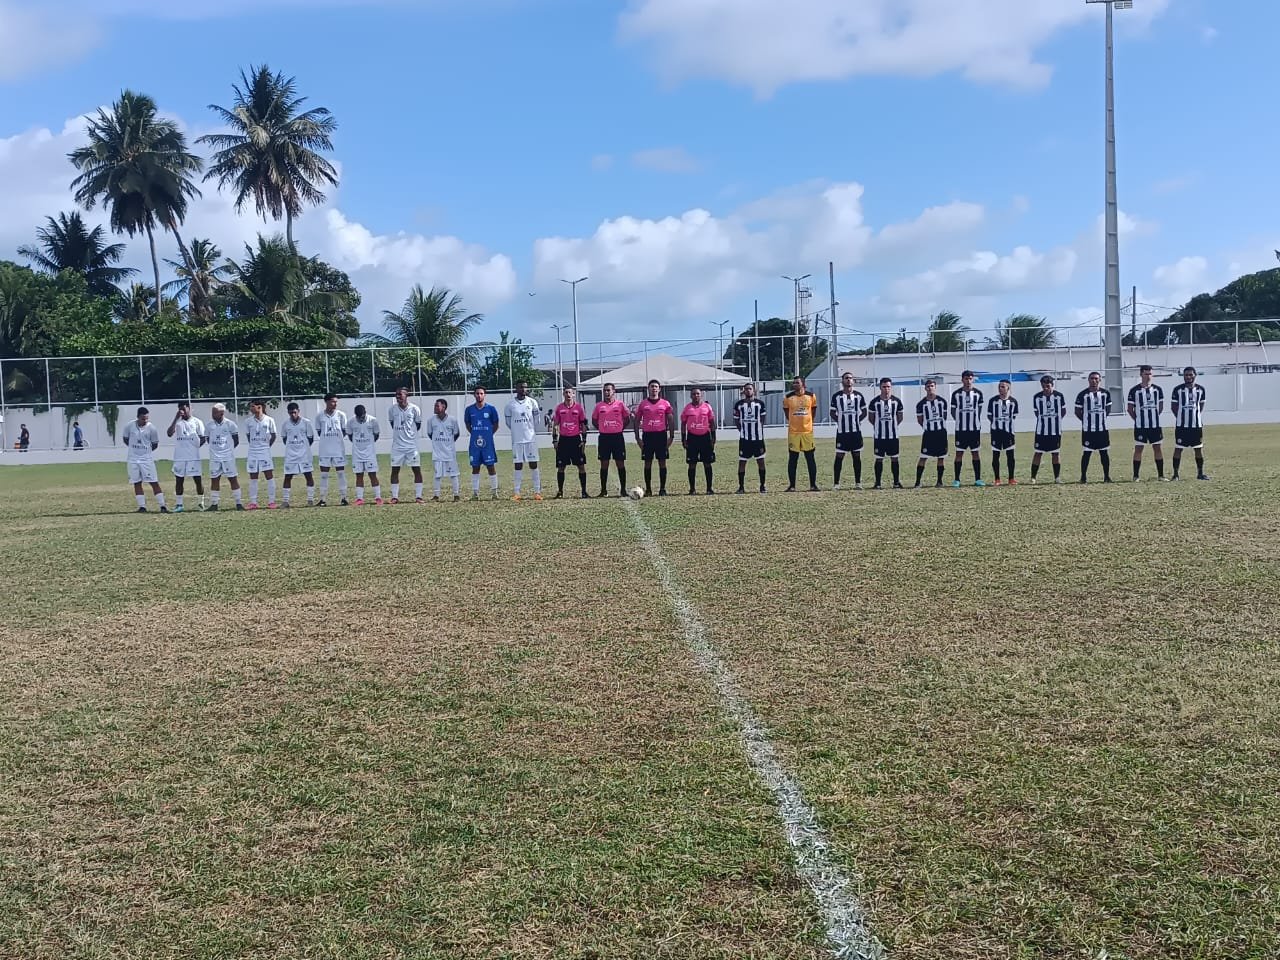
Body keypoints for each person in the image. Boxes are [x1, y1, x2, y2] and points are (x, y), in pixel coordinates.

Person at [634, 379, 675, 496]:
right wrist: (637, 437)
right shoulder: (643, 404)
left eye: (656, 386)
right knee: (647, 463)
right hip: (648, 436)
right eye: (652, 386)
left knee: (662, 462)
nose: (654, 388)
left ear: (659, 389)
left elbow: (671, 420)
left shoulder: (665, 404)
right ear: (648, 388)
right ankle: (648, 489)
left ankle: (662, 489)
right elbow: (637, 420)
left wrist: (671, 436)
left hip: (661, 435)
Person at [122, 406, 167, 512]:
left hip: (146, 459)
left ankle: (162, 506)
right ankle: (142, 507)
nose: (145, 420)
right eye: (143, 418)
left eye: (147, 418)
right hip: (133, 459)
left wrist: (145, 452)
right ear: (137, 417)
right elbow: (125, 439)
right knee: (136, 482)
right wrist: (134, 450)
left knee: (154, 482)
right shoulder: (129, 426)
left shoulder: (152, 428)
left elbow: (155, 444)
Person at [504, 380, 543, 501]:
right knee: (518, 465)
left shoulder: (532, 402)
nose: (523, 389)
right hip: (517, 440)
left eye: (525, 387)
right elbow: (508, 423)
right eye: (521, 387)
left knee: (533, 464)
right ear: (516, 389)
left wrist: (529, 429)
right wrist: (518, 430)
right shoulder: (510, 405)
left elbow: (537, 420)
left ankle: (537, 492)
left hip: (530, 439)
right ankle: (517, 492)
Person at [1170, 366, 1210, 481]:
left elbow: (1201, 406)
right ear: (1183, 376)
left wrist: (1194, 416)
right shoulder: (1177, 390)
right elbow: (1173, 407)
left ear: (1195, 375)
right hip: (1182, 426)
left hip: (1196, 426)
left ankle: (1200, 473)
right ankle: (1176, 474)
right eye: (1186, 375)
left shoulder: (1201, 389)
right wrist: (1181, 418)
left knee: (1198, 449)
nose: (1188, 377)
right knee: (1178, 448)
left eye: (1190, 375)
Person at [1127, 364, 1166, 482]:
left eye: (1150, 373)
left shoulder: (1158, 389)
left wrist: (1154, 417)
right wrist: (1138, 419)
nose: (1148, 376)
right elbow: (1130, 409)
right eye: (1146, 373)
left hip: (1155, 426)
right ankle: (1136, 476)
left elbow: (1160, 407)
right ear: (1141, 374)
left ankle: (1161, 475)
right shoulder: (1134, 391)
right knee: (1138, 449)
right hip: (1140, 426)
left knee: (1157, 448)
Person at [167, 401, 206, 512]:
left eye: (184, 408)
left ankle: (200, 503)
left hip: (193, 457)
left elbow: (203, 437)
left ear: (189, 408)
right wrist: (175, 418)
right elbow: (169, 433)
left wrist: (197, 446)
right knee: (179, 480)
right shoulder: (178, 423)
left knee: (197, 480)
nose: (182, 411)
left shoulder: (197, 422)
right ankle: (179, 505)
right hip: (180, 457)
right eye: (180, 409)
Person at [387, 386, 424, 504]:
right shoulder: (392, 410)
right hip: (397, 446)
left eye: (400, 394)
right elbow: (393, 424)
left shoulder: (414, 409)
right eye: (396, 394)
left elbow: (417, 425)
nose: (398, 396)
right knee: (394, 470)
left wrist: (409, 435)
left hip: (411, 446)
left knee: (416, 470)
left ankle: (418, 496)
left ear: (406, 395)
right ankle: (395, 497)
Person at [592, 382, 630, 497]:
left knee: (620, 463)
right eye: (605, 390)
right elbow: (594, 420)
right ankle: (603, 490)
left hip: (617, 437)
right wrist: (603, 428)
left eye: (608, 390)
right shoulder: (599, 406)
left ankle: (623, 490)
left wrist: (620, 428)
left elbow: (627, 418)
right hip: (604, 438)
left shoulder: (620, 405)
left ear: (614, 391)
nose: (607, 392)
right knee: (604, 463)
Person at [830, 372, 867, 490]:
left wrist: (857, 420)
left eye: (851, 378)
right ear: (842, 381)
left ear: (853, 381)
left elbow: (864, 412)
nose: (849, 380)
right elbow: (832, 413)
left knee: (856, 456)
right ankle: (836, 484)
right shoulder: (836, 396)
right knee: (839, 456)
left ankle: (858, 483)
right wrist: (840, 421)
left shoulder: (859, 396)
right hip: (842, 432)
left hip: (855, 432)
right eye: (846, 378)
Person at [552, 386, 590, 499]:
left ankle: (584, 492)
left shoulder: (579, 408)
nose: (568, 394)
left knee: (581, 466)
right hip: (563, 440)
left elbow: (583, 424)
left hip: (576, 440)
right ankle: (560, 492)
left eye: (570, 392)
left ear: (573, 394)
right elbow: (555, 425)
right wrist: (555, 440)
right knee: (561, 467)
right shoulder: (559, 408)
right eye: (566, 392)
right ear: (563, 394)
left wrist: (584, 440)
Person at [464, 386, 501, 500]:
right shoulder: (469, 409)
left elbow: (496, 424)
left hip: (488, 444)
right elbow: (467, 425)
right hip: (475, 444)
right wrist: (476, 433)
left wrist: (488, 434)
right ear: (474, 395)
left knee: (491, 466)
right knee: (475, 467)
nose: (479, 395)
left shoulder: (491, 409)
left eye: (481, 393)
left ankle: (494, 493)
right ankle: (475, 494)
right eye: (477, 393)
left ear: (484, 395)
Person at [205, 403, 245, 510]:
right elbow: (208, 439)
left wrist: (228, 450)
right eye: (212, 412)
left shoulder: (230, 424)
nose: (212, 414)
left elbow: (236, 441)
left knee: (233, 479)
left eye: (214, 412)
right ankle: (214, 504)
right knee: (214, 479)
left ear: (221, 413)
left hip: (228, 457)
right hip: (214, 457)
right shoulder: (209, 425)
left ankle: (238, 503)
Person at [1075, 371, 1113, 483]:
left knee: (1104, 453)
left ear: (1100, 380)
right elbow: (1077, 411)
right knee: (1086, 453)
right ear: (1088, 380)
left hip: (1102, 429)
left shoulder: (1106, 394)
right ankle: (1083, 477)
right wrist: (1086, 420)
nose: (1094, 380)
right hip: (1088, 430)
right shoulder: (1082, 394)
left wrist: (1101, 419)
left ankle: (1106, 476)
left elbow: (1108, 409)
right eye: (1092, 378)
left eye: (1096, 378)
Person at [783, 376, 819, 492]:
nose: (794, 384)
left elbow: (813, 411)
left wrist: (807, 422)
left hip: (807, 432)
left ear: (803, 384)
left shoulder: (811, 396)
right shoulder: (788, 397)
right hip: (793, 433)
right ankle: (792, 486)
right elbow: (787, 413)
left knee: (810, 458)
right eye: (793, 383)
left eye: (797, 383)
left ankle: (813, 485)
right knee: (793, 459)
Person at [867, 377, 904, 489]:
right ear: (880, 387)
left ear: (891, 387)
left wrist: (893, 425)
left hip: (893, 436)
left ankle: (896, 482)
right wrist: (879, 426)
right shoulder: (874, 402)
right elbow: (871, 418)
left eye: (888, 387)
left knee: (895, 458)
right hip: (879, 436)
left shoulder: (897, 401)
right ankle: (878, 483)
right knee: (879, 458)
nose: (886, 389)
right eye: (884, 387)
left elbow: (900, 417)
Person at [950, 370, 985, 487]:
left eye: (970, 378)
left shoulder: (978, 393)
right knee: (959, 453)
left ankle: (978, 479)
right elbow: (953, 411)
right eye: (966, 378)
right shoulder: (956, 394)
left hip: (974, 429)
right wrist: (960, 420)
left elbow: (979, 410)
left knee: (975, 453)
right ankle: (957, 479)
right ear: (962, 380)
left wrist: (974, 420)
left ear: (973, 379)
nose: (968, 381)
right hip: (961, 429)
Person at [1029, 376, 1067, 484]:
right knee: (1038, 453)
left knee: (1055, 453)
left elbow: (1063, 412)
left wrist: (1055, 420)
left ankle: (1057, 478)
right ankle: (1033, 477)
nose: (1046, 388)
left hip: (1055, 431)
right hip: (1041, 431)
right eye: (1043, 386)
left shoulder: (1059, 396)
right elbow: (1037, 413)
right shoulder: (1037, 397)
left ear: (1052, 385)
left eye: (1048, 386)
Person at [314, 393, 350, 505]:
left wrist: (336, 439)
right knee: (324, 475)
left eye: (336, 401)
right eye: (333, 401)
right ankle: (323, 499)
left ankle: (344, 498)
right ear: (327, 402)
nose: (335, 404)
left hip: (338, 449)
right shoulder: (319, 416)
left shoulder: (341, 415)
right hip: (325, 450)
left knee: (341, 473)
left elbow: (344, 431)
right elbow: (319, 432)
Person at [680, 386, 717, 494]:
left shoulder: (707, 407)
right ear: (690, 396)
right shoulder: (687, 408)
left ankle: (709, 488)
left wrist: (713, 437)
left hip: (705, 438)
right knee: (692, 464)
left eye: (698, 394)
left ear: (701, 395)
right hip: (692, 438)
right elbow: (683, 424)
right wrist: (683, 439)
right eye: (693, 394)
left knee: (707, 463)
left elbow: (712, 422)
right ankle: (692, 489)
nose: (696, 396)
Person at [280, 401, 316, 507]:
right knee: (288, 477)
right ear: (288, 413)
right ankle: (286, 501)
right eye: (291, 413)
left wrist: (303, 447)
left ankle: (310, 500)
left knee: (308, 475)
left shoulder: (306, 422)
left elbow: (310, 438)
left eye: (295, 412)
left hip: (304, 454)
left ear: (298, 411)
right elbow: (284, 438)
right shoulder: (285, 424)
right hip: (291, 455)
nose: (293, 415)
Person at [914, 379, 949, 488]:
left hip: (940, 433)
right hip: (928, 434)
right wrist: (927, 427)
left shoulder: (942, 401)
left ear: (935, 387)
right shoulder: (921, 404)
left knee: (941, 457)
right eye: (928, 386)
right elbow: (920, 420)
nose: (930, 388)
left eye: (932, 386)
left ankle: (939, 481)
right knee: (923, 457)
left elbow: (944, 417)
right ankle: (918, 482)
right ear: (925, 388)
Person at [244, 399, 278, 509]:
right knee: (253, 476)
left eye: (253, 406)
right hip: (253, 452)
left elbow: (273, 435)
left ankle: (271, 501)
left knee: (269, 476)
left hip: (265, 451)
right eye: (251, 406)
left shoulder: (269, 420)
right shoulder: (248, 421)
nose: (251, 408)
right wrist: (255, 445)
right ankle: (253, 502)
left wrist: (267, 446)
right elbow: (248, 436)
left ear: (259, 407)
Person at [734, 382, 767, 494]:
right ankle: (741, 487)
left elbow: (762, 419)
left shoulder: (760, 404)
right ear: (743, 391)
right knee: (742, 462)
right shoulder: (739, 404)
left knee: (761, 461)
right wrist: (742, 430)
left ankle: (762, 486)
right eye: (746, 389)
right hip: (744, 439)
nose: (748, 391)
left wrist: (757, 430)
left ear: (754, 390)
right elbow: (736, 420)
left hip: (758, 439)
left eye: (750, 389)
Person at [346, 404, 383, 504]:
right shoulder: (350, 422)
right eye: (358, 417)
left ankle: (378, 497)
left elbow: (376, 435)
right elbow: (350, 436)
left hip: (370, 454)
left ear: (365, 413)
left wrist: (368, 444)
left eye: (362, 416)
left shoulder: (373, 420)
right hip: (357, 454)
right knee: (359, 475)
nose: (361, 418)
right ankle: (359, 498)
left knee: (372, 475)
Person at [428, 398, 462, 501]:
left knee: (453, 474)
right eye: (435, 405)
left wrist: (448, 443)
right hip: (437, 453)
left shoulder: (452, 420)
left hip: (449, 453)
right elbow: (430, 434)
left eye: (437, 406)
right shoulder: (431, 420)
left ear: (444, 407)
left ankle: (456, 495)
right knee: (437, 475)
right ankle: (436, 495)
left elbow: (456, 434)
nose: (435, 408)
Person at [987, 380, 1019, 485]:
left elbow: (1014, 416)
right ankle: (997, 479)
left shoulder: (1013, 401)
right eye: (999, 386)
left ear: (1008, 388)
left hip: (1009, 433)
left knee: (1010, 456)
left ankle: (1011, 478)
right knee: (996, 455)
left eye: (1003, 387)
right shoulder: (993, 401)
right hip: (996, 432)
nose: (1000, 388)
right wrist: (997, 424)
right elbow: (989, 415)